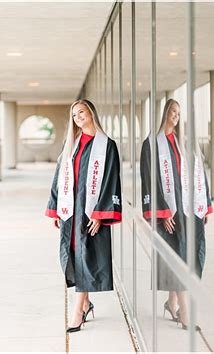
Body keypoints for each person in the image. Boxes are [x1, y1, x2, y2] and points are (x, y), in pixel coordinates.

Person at [45, 99, 122, 333]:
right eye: (74, 114)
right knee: (74, 255)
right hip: (71, 211)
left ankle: (78, 310)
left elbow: (111, 181)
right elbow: (60, 176)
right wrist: (57, 207)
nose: (78, 117)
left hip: (90, 212)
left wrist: (100, 214)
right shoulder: (72, 143)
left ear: (91, 112)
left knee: (86, 257)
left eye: (81, 112)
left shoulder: (107, 145)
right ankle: (86, 303)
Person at [140, 98, 213, 329]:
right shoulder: (152, 143)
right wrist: (161, 212)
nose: (175, 115)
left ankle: (171, 303)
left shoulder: (186, 143)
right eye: (172, 111)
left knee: (191, 254)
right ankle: (185, 315)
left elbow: (200, 174)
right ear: (164, 113)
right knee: (179, 257)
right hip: (170, 212)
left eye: (178, 112)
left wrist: (205, 205)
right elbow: (149, 180)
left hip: (190, 210)